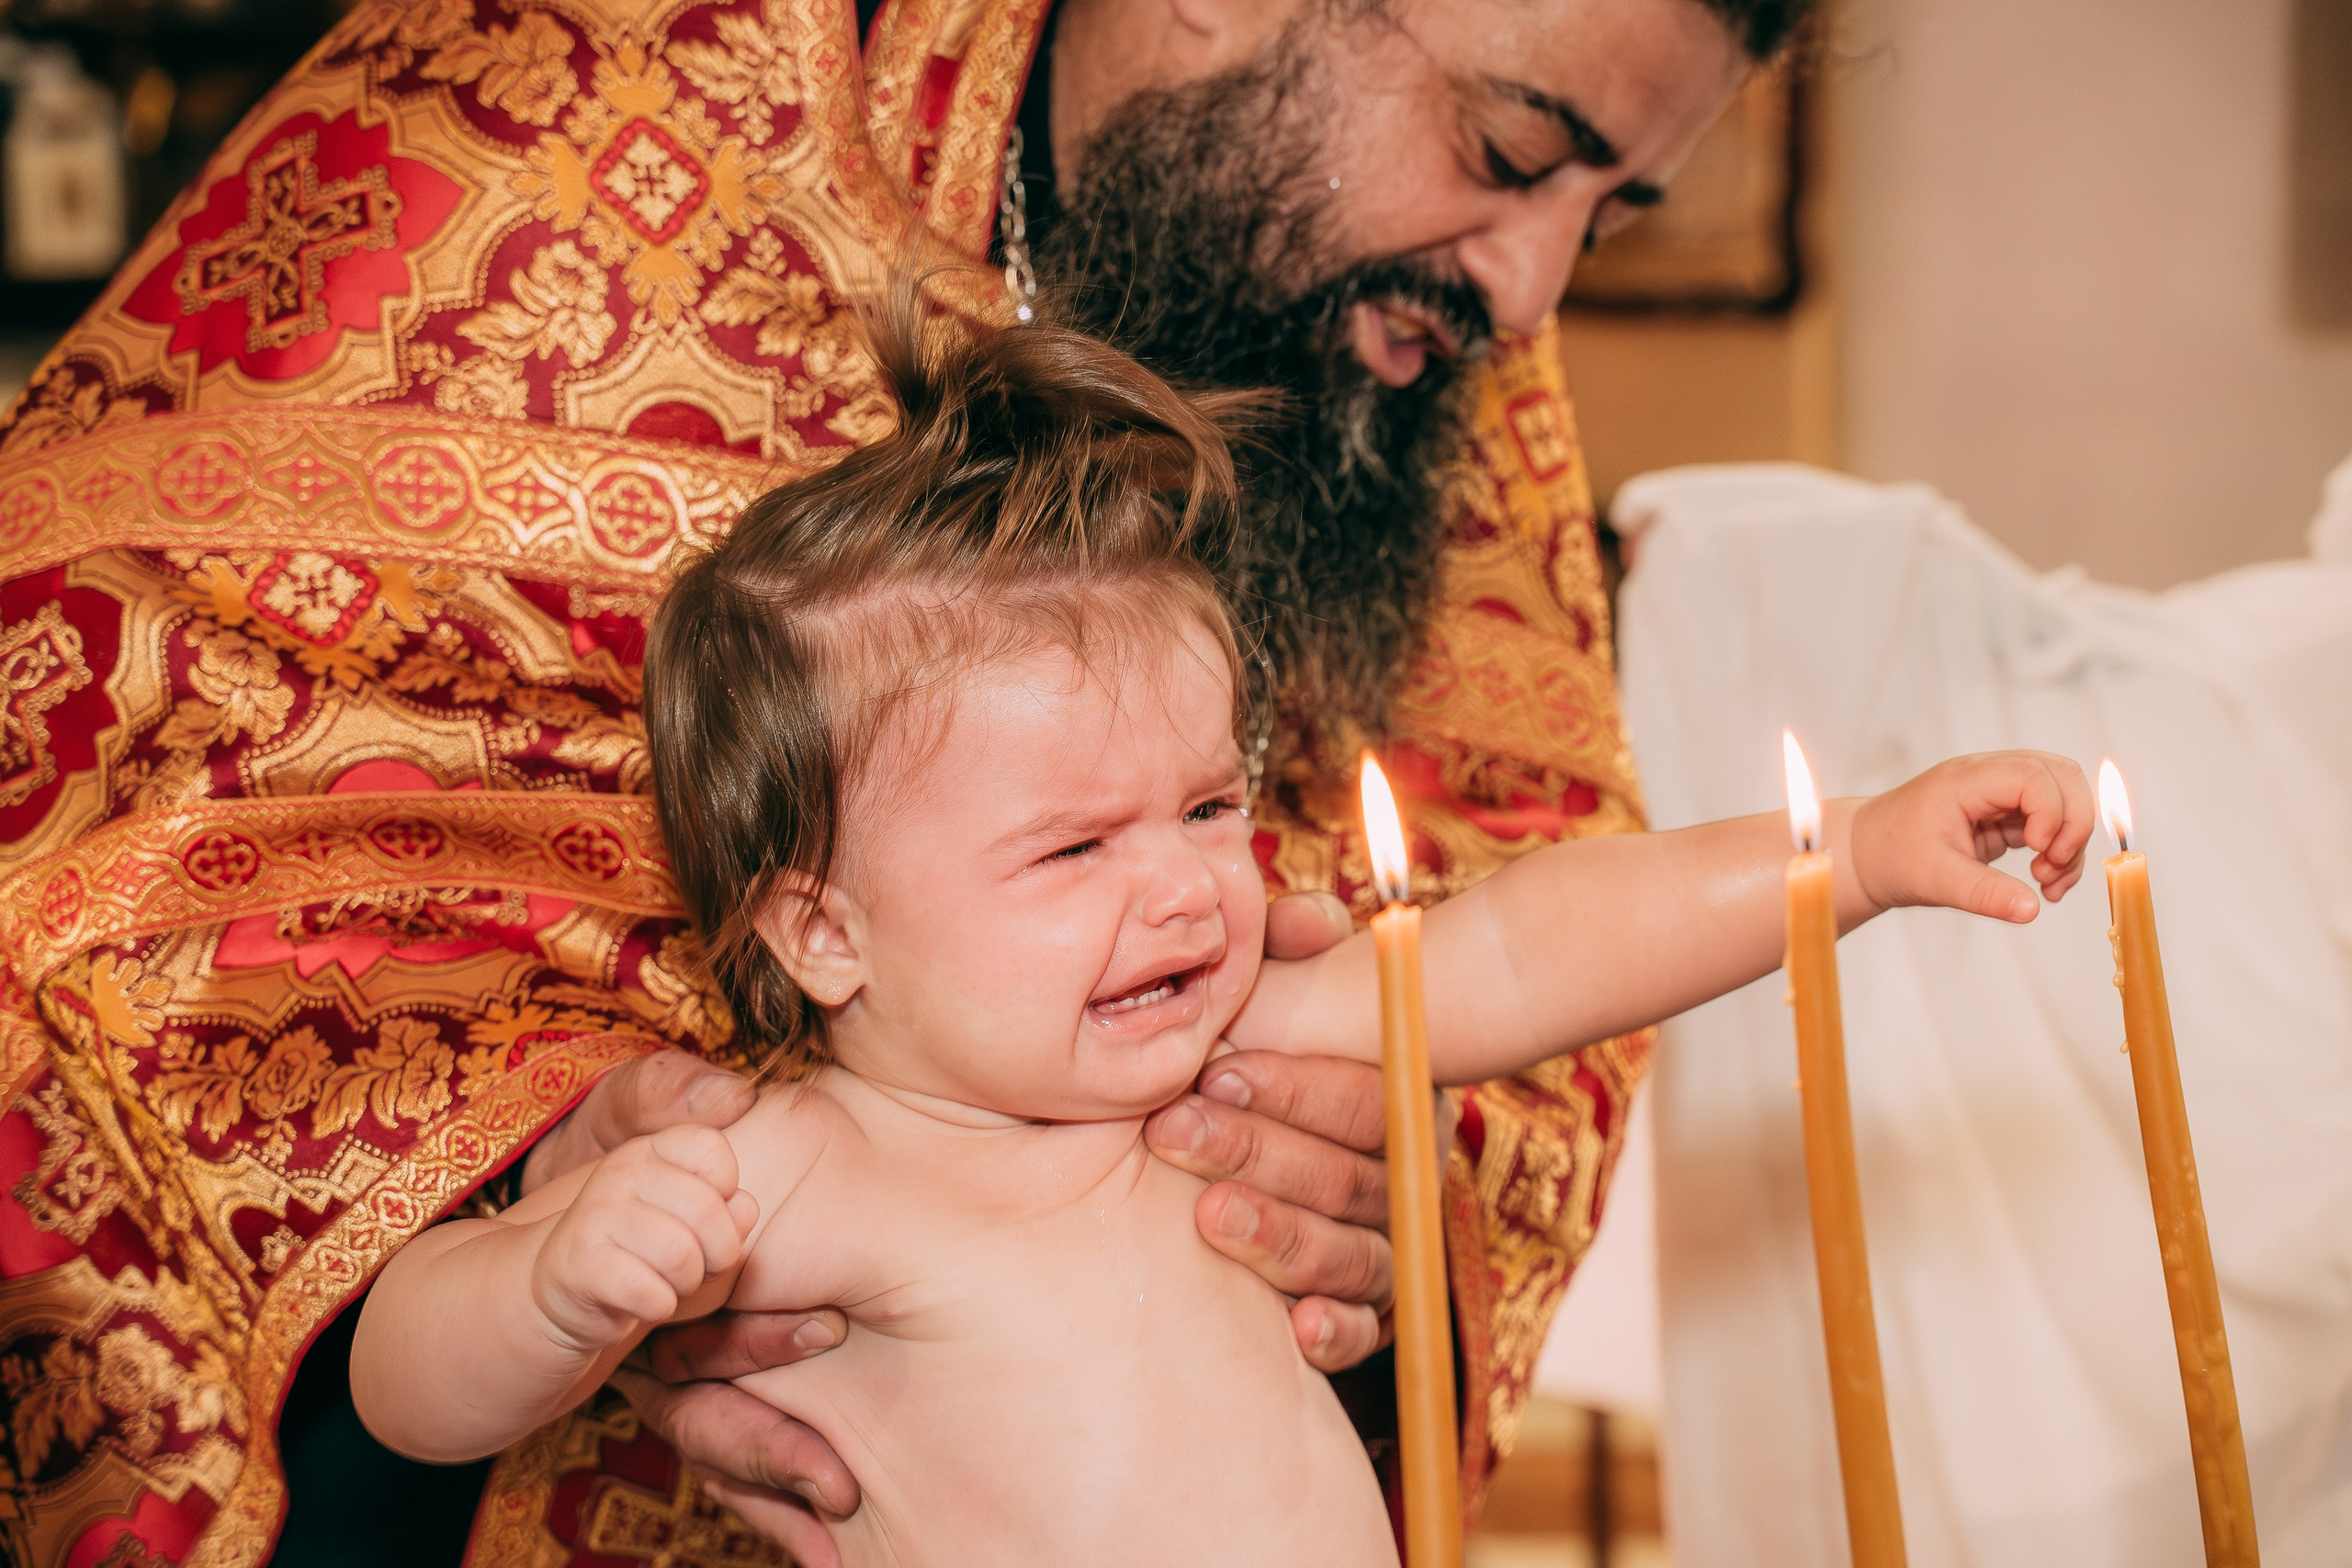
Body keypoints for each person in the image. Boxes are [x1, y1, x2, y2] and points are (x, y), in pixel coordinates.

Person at [0, 0, 1806, 1563]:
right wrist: (548, 1194)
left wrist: (1358, 1160)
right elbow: (99, 751)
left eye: (1608, 208)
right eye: (1507, 145)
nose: (1529, 291)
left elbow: (1514, 889)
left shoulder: (1411, 335)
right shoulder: (568, 117)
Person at [347, 303, 2094, 1566]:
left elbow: (1528, 947)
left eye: (1203, 806)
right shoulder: (797, 1170)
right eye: (1075, 845)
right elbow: (408, 1380)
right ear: (823, 931)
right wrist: (550, 1281)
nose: (1183, 884)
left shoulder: (1248, 1038)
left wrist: (1848, 857)